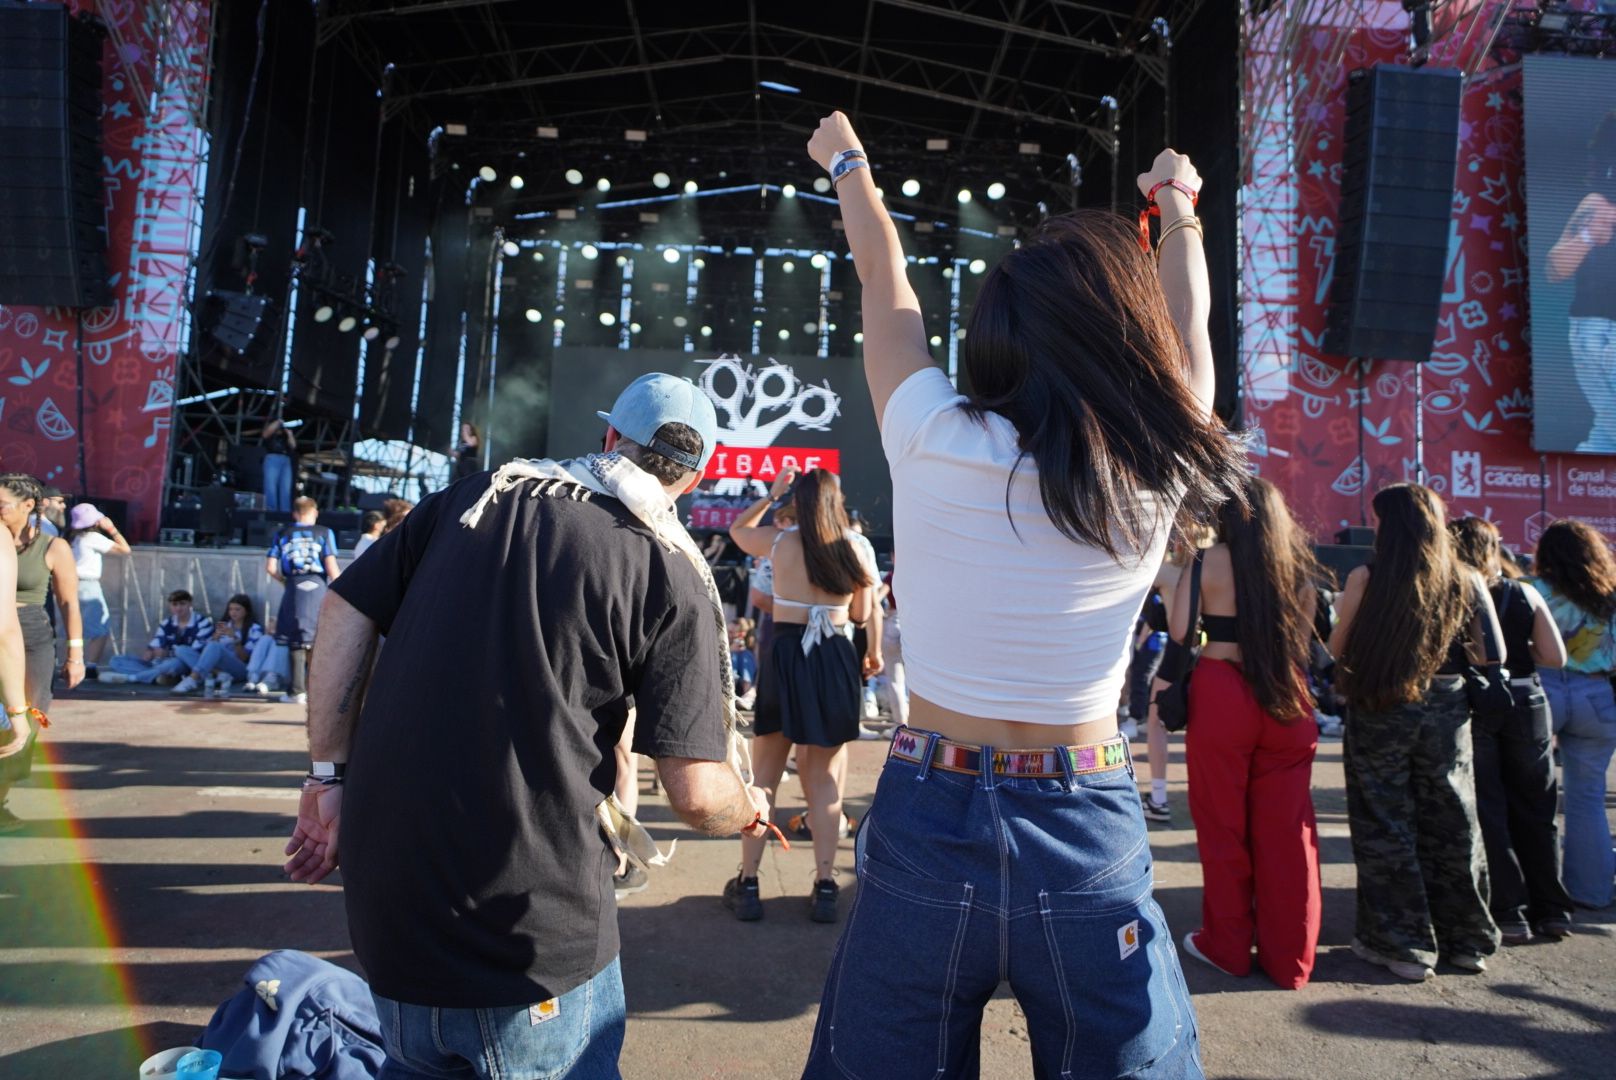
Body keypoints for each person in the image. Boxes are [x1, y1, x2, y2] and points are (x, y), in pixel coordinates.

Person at [799, 112, 1241, 1076]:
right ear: (1126, 339)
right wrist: (1177, 206)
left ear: (995, 339)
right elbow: (1192, 321)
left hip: (928, 803)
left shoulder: (927, 432)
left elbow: (885, 278)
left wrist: (850, 164)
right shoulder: (1154, 464)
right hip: (1086, 811)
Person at [283, 371, 770, 1079]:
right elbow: (697, 793)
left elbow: (343, 607)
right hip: (529, 942)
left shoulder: (475, 496)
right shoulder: (670, 570)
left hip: (394, 917)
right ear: (694, 481)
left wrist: (328, 775)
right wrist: (748, 808)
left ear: (607, 440)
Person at [1330, 483, 1503, 981]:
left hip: (1380, 705)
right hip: (1447, 709)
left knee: (1385, 822)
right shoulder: (1466, 578)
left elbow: (1338, 645)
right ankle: (1466, 939)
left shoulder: (1367, 576)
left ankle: (1402, 945)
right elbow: (1493, 654)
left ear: (1393, 527)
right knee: (1454, 819)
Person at [1176, 476, 1324, 989]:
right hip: (1287, 695)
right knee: (1289, 834)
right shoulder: (1300, 570)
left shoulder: (1209, 561)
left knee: (1222, 828)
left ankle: (1228, 946)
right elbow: (1302, 649)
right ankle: (1292, 960)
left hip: (1222, 694)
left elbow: (1180, 632)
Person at [724, 466, 879, 924]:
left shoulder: (779, 541)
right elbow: (862, 612)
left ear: (800, 501)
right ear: (835, 501)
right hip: (833, 658)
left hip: (786, 656)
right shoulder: (853, 548)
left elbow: (737, 530)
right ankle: (826, 885)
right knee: (826, 781)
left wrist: (771, 498)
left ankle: (749, 882)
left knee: (765, 774)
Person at [1448, 517, 1573, 943]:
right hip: (1528, 699)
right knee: (1538, 808)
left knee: (1490, 811)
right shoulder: (1525, 592)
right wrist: (1525, 650)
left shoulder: (1456, 591)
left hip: (1478, 701)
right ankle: (1552, 910)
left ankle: (1509, 911)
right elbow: (1555, 657)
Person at [1531, 518, 1616, 910]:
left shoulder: (1533, 591)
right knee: (1588, 798)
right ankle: (1592, 892)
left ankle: (1537, 891)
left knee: (1531, 794)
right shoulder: (1609, 594)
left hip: (1542, 689)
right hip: (1597, 694)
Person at [0, 474, 83, 830]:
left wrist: (75, 655)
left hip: (31, 636)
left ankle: (0, 799)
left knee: (25, 720)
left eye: (2, 504)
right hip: (4, 632)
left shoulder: (53, 547)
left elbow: (69, 603)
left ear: (28, 505)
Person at [1546, 110, 1616, 452]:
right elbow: (1555, 269)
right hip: (1603, 329)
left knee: (1606, 435)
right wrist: (1588, 236)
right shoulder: (1599, 204)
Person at [266, 497, 340, 705]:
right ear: (314, 512)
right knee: (319, 637)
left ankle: (297, 691)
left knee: (296, 640)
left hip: (294, 586)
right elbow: (331, 567)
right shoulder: (324, 532)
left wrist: (286, 582)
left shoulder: (281, 533)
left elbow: (271, 568)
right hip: (318, 585)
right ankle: (321, 690)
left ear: (295, 514)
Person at [66, 503, 131, 677]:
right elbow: (125, 549)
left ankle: (73, 663)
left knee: (74, 628)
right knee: (100, 629)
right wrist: (112, 529)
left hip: (70, 584)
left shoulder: (72, 538)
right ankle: (91, 667)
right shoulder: (91, 537)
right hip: (87, 585)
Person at [102, 589, 212, 685]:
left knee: (175, 661)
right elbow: (154, 647)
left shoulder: (202, 623)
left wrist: (166, 654)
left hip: (187, 665)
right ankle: (160, 677)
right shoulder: (166, 623)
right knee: (116, 660)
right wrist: (150, 653)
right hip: (162, 663)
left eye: (182, 604)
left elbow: (193, 654)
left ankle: (133, 678)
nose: (178, 608)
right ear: (170, 606)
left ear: (190, 604)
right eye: (175, 604)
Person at [172, 594, 264, 696]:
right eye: (231, 609)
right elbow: (207, 653)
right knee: (180, 649)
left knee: (215, 646)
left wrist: (235, 639)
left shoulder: (255, 629)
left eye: (237, 609)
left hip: (239, 669)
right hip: (218, 666)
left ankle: (194, 679)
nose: (233, 612)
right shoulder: (225, 624)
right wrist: (214, 638)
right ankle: (218, 674)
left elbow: (243, 658)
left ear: (246, 611)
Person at [262, 418, 297, 513]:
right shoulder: (270, 432)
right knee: (271, 487)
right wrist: (278, 422)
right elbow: (265, 434)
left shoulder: (285, 434)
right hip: (272, 457)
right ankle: (271, 512)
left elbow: (293, 446)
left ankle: (285, 513)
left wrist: (289, 434)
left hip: (285, 459)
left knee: (285, 488)